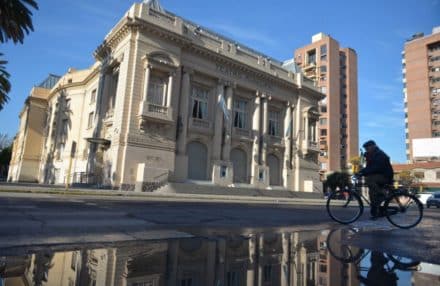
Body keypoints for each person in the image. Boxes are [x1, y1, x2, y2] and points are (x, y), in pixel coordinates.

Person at [357, 140, 394, 219]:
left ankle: (383, 193)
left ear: (373, 146)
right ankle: (376, 212)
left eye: (367, 148)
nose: (366, 150)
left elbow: (376, 167)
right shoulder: (370, 155)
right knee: (372, 194)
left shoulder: (379, 154)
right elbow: (369, 168)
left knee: (369, 180)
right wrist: (361, 172)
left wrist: (363, 172)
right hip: (378, 176)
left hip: (385, 176)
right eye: (365, 149)